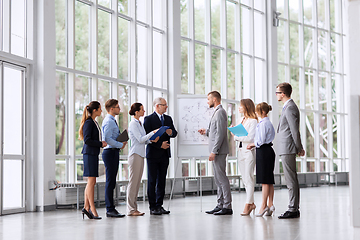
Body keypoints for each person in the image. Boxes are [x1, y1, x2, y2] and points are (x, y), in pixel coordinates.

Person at [198, 91, 233, 215]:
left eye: (209, 99)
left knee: (222, 179)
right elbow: (215, 131)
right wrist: (206, 131)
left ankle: (227, 206)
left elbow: (221, 134)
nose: (207, 101)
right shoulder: (217, 112)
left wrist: (214, 151)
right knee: (218, 179)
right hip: (217, 151)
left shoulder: (220, 112)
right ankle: (220, 204)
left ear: (215, 99)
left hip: (218, 151)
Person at [143, 97, 178, 215]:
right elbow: (147, 137)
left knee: (162, 180)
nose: (166, 107)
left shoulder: (168, 119)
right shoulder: (148, 119)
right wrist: (159, 145)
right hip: (153, 153)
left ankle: (159, 205)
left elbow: (175, 133)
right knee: (152, 180)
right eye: (164, 105)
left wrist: (171, 132)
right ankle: (152, 206)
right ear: (157, 106)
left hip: (165, 154)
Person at [276, 83, 305, 219]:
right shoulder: (287, 107)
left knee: (290, 179)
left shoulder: (290, 108)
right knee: (290, 178)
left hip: (288, 147)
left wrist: (299, 147)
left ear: (283, 94)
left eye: (277, 92)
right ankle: (293, 207)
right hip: (286, 147)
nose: (276, 95)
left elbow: (294, 130)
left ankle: (293, 208)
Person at [127, 103, 159, 216]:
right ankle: (131, 209)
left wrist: (151, 140)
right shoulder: (133, 124)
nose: (144, 111)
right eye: (142, 110)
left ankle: (134, 208)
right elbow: (140, 139)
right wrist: (152, 133)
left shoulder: (139, 123)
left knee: (137, 183)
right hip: (135, 155)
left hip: (140, 154)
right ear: (136, 112)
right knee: (133, 182)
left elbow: (144, 140)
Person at [78, 101, 107, 220]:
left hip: (93, 154)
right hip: (89, 154)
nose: (101, 111)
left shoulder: (94, 122)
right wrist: (100, 143)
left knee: (92, 182)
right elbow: (87, 140)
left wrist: (100, 144)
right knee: (91, 182)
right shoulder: (89, 123)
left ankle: (86, 207)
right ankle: (93, 210)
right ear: (94, 110)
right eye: (100, 109)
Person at [247, 102, 276, 217]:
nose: (255, 113)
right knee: (269, 180)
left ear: (262, 112)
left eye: (257, 111)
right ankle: (270, 204)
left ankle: (264, 205)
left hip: (263, 151)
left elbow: (261, 140)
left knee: (265, 180)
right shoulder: (267, 123)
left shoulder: (263, 124)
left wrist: (252, 144)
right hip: (267, 151)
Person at [102, 99, 128, 218]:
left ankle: (111, 208)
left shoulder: (112, 120)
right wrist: (120, 145)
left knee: (112, 181)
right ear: (111, 109)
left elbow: (112, 137)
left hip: (113, 152)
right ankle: (110, 209)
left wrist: (121, 140)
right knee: (110, 182)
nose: (119, 109)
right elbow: (107, 139)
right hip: (110, 152)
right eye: (117, 107)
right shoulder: (109, 121)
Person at [232, 99, 258, 216]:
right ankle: (251, 203)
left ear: (246, 107)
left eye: (241, 106)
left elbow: (250, 137)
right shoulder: (240, 120)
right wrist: (235, 133)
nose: (239, 108)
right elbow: (239, 136)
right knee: (244, 179)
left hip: (249, 151)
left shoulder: (253, 121)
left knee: (249, 177)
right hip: (240, 151)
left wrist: (236, 136)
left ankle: (248, 204)